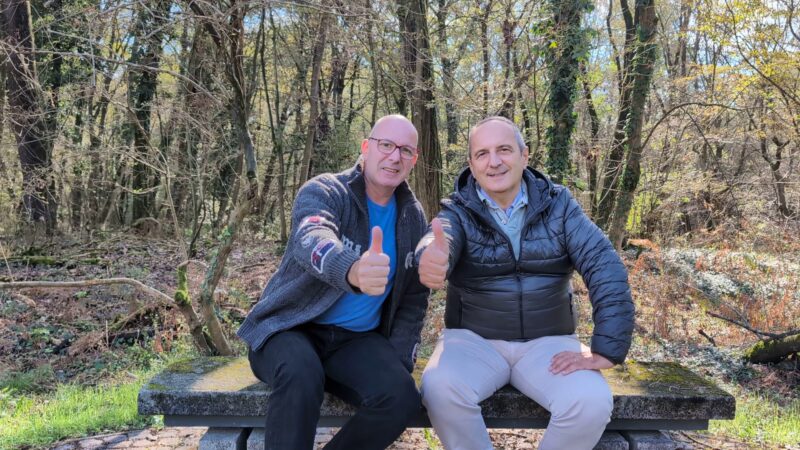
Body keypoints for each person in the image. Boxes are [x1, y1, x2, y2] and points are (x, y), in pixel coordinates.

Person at [416, 116, 635, 450]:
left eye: (504, 149)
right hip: (474, 342)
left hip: (548, 344)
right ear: (472, 166)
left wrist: (608, 349)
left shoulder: (559, 207)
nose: (494, 162)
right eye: (482, 154)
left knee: (590, 401)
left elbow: (604, 264)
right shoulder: (457, 210)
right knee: (439, 387)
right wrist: (430, 256)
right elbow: (439, 239)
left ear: (524, 155)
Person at [237, 114, 430, 450]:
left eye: (405, 151)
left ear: (413, 161)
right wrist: (352, 270)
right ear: (367, 147)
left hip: (354, 341)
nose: (395, 156)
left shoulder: (412, 218)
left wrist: (396, 361)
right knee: (301, 374)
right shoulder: (326, 191)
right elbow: (310, 237)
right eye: (386, 145)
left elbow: (414, 297)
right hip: (289, 328)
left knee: (401, 397)